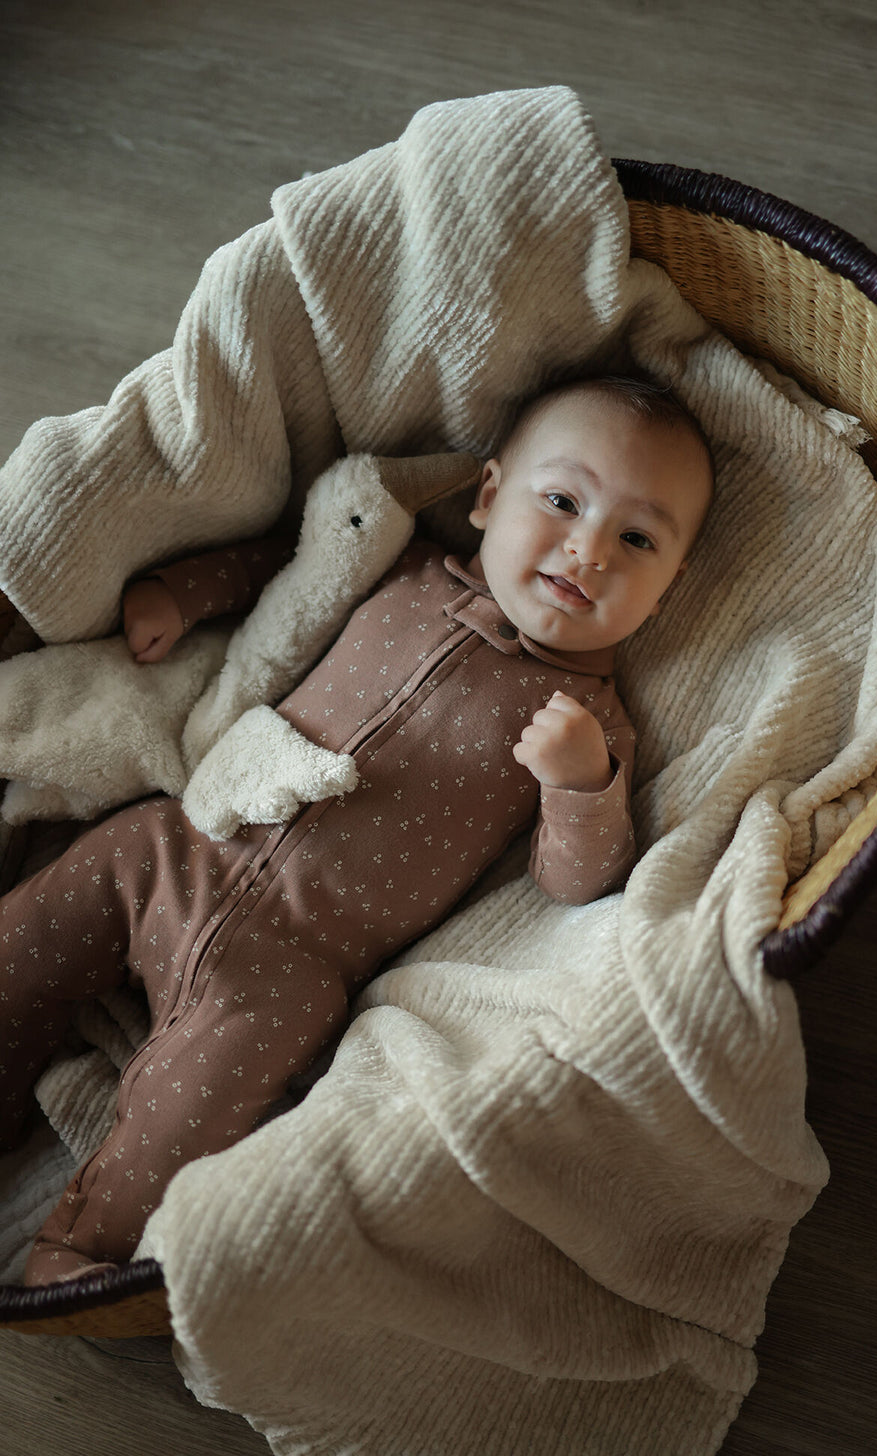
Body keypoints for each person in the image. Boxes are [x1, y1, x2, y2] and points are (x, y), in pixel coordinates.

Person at [0, 376, 713, 1284]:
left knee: (197, 1102)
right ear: (490, 496)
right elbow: (287, 570)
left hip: (291, 961)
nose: (588, 549)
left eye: (638, 538)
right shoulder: (399, 564)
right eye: (564, 500)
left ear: (671, 586)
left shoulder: (592, 722)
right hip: (179, 847)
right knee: (28, 934)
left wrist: (582, 784)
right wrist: (184, 596)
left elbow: (578, 883)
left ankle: (81, 1246)